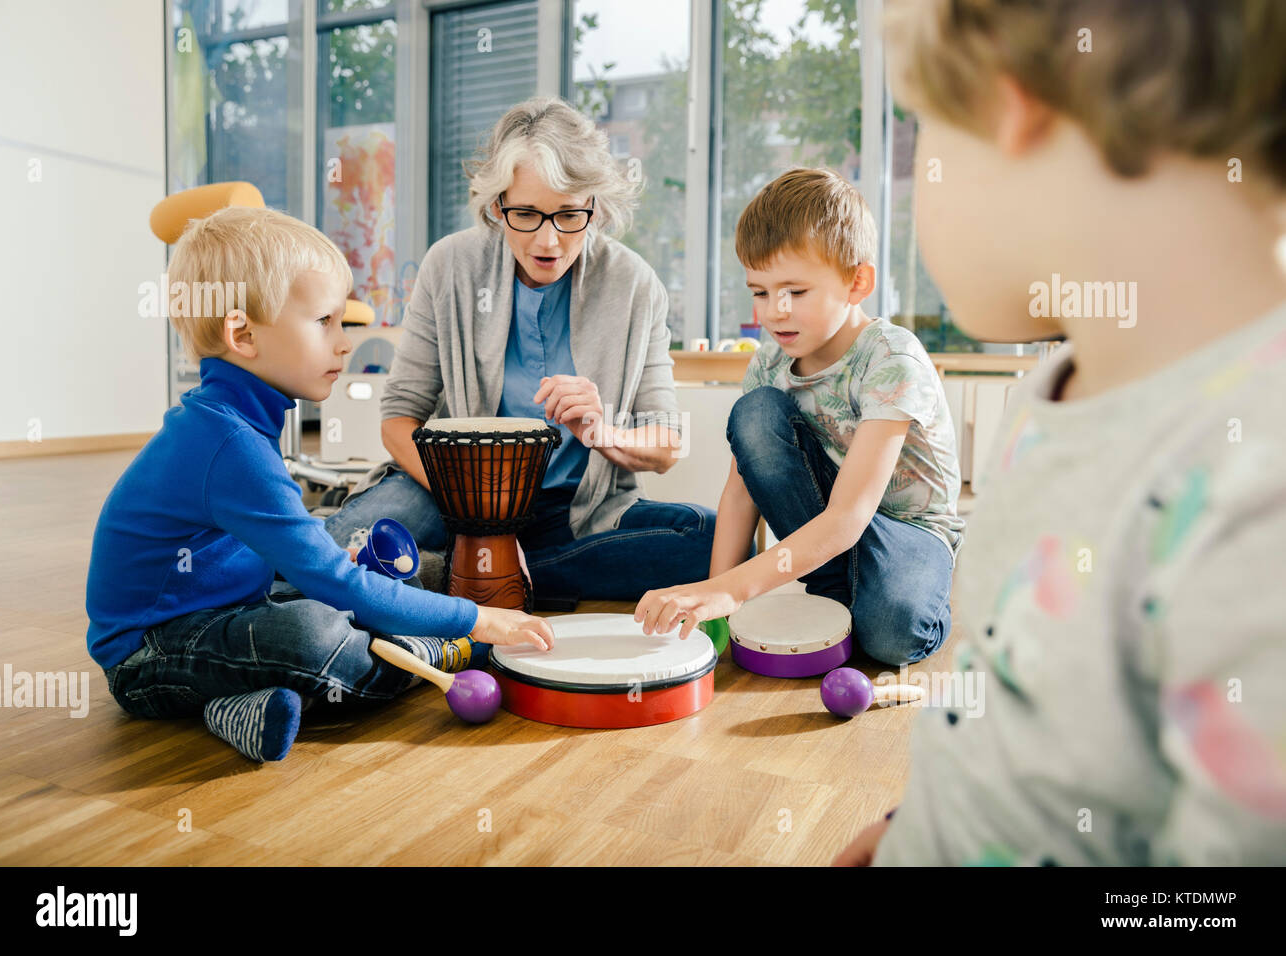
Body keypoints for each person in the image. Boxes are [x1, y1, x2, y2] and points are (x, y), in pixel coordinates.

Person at [839, 0, 1286, 865]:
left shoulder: (1257, 493)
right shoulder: (1051, 393)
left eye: (926, 124)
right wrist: (926, 823)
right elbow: (1013, 692)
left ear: (1013, 96)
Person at [86, 206, 553, 763]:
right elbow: (333, 583)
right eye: (323, 322)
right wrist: (477, 620)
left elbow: (285, 543)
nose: (344, 343)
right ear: (243, 334)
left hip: (230, 609)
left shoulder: (238, 419)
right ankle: (443, 653)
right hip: (150, 655)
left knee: (331, 594)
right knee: (315, 634)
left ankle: (242, 706)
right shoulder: (227, 443)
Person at [323, 96, 714, 603]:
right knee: (334, 549)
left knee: (710, 542)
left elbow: (667, 445)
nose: (549, 240)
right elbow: (400, 419)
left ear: (594, 207)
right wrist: (475, 512)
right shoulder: (450, 267)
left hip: (577, 509)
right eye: (526, 213)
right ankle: (485, 574)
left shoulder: (634, 284)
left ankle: (466, 579)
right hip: (452, 492)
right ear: (496, 206)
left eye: (570, 214)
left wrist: (603, 432)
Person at [635, 168, 962, 667]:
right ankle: (835, 583)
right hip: (831, 526)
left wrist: (733, 589)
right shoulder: (768, 364)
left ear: (857, 282)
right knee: (756, 413)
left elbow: (850, 516)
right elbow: (742, 490)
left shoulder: (893, 356)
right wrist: (715, 602)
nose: (774, 312)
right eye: (760, 291)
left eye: (795, 291)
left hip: (905, 528)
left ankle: (890, 592)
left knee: (895, 637)